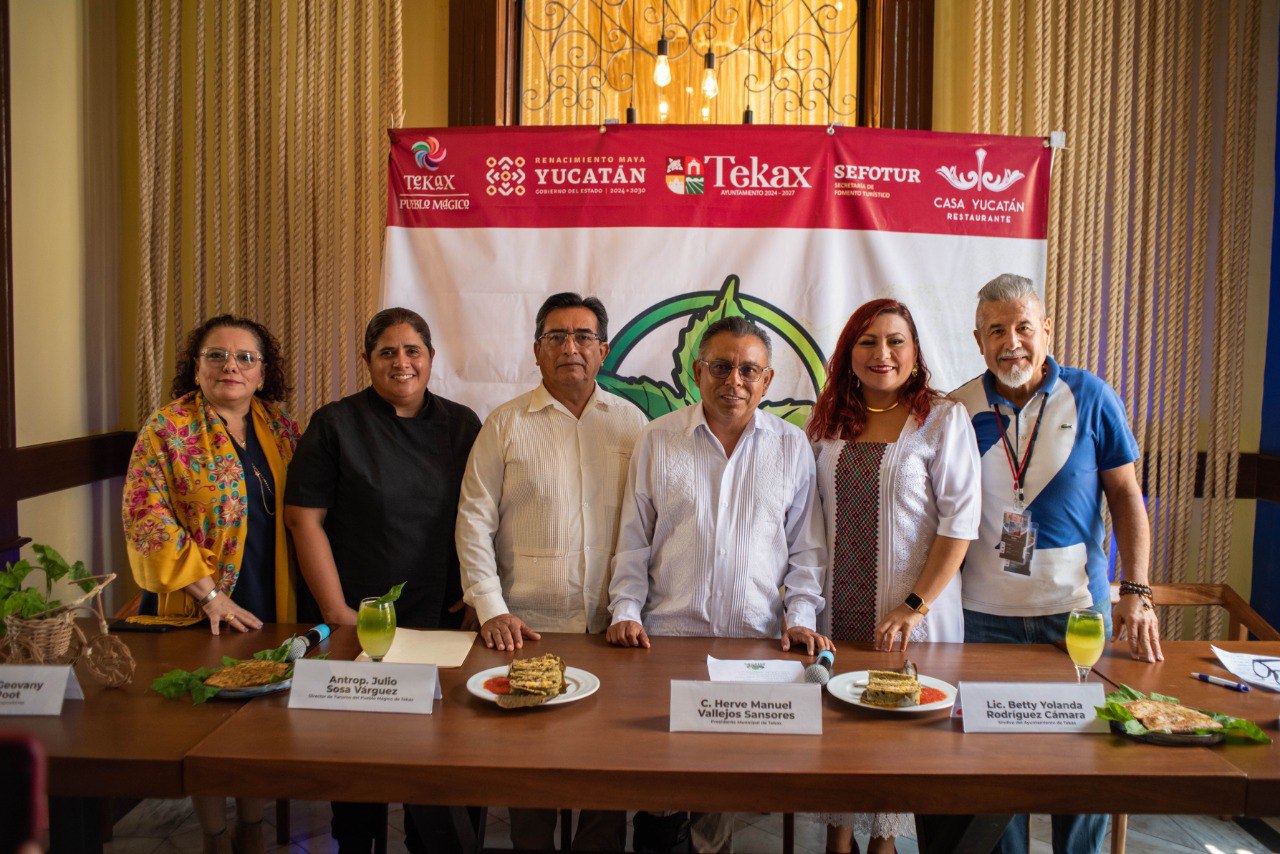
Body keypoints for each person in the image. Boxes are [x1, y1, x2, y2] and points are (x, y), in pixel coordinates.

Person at [941, 273, 1163, 854]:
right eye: (996, 331)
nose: (1011, 342)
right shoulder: (957, 408)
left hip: (1077, 617)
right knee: (994, 769)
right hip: (983, 618)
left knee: (1084, 767)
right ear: (978, 341)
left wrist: (1137, 590)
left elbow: (1127, 497)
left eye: (1022, 327)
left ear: (1046, 330)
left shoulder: (1092, 396)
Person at [608, 315, 833, 853]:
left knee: (719, 787)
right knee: (662, 785)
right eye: (721, 367)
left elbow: (806, 551)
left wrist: (802, 618)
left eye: (748, 370)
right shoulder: (659, 439)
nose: (735, 380)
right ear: (697, 371)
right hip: (666, 640)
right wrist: (625, 611)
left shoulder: (791, 446)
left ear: (767, 380)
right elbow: (634, 541)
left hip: (752, 647)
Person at [284, 307, 481, 854]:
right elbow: (303, 520)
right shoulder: (335, 424)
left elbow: (484, 515)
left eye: (412, 350)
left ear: (431, 358)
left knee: (441, 758)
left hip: (441, 615)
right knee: (359, 760)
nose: (401, 362)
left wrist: (477, 593)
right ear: (367, 361)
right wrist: (336, 612)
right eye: (386, 352)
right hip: (361, 617)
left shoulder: (462, 424)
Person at [455, 291, 644, 850]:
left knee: (607, 776)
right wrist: (491, 608)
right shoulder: (506, 423)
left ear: (603, 350)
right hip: (526, 630)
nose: (570, 348)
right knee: (530, 775)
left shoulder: (632, 424)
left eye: (584, 336)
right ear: (536, 350)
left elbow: (649, 525)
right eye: (555, 336)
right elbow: (473, 521)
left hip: (611, 630)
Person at [805, 299, 981, 854]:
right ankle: (838, 840)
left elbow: (960, 525)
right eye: (868, 341)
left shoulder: (942, 419)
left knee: (898, 737)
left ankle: (883, 846)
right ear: (848, 353)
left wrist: (914, 605)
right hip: (839, 613)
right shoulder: (827, 422)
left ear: (915, 351)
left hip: (912, 620)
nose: (882, 353)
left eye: (895, 341)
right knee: (842, 730)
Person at [123, 314, 300, 854]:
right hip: (200, 597)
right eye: (216, 355)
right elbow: (147, 519)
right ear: (195, 367)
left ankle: (253, 824)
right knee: (207, 716)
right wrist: (211, 595)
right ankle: (214, 835)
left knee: (262, 708)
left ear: (263, 371)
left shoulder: (281, 427)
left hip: (268, 590)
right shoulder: (167, 428)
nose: (231, 366)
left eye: (246, 357)